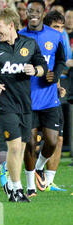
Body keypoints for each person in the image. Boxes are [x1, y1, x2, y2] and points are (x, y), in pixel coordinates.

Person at [0, 7, 47, 203]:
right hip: (4, 104)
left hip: (25, 104)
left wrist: (35, 70)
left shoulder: (29, 44)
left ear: (11, 25)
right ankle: (17, 190)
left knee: (22, 148)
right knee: (13, 147)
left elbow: (43, 66)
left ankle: (11, 185)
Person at [18, 0, 65, 197]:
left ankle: (40, 166)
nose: (33, 15)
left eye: (37, 11)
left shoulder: (55, 36)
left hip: (48, 98)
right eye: (30, 11)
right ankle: (30, 187)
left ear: (43, 14)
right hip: (27, 99)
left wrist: (55, 75)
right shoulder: (18, 36)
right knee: (29, 143)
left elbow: (61, 59)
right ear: (26, 13)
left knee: (52, 142)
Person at [39, 10, 69, 192]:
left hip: (52, 98)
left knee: (58, 139)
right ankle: (14, 171)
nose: (59, 30)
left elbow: (56, 67)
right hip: (36, 99)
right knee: (31, 140)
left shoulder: (59, 42)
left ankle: (48, 181)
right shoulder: (38, 41)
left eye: (61, 27)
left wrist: (58, 87)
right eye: (55, 27)